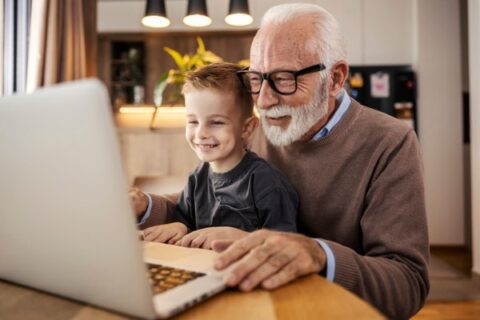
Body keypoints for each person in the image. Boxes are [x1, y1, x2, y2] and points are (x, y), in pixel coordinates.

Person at [132, 4, 429, 319]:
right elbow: (207, 199)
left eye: (285, 79)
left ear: (336, 78)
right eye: (257, 79)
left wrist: (319, 255)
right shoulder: (257, 129)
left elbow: (407, 283)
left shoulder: (390, 143)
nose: (263, 100)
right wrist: (144, 205)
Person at [139, 63, 298, 249]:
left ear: (247, 128)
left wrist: (239, 237)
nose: (201, 133)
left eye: (216, 122)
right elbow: (185, 220)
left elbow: (285, 244)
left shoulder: (266, 183)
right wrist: (179, 226)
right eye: (193, 121)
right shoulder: (196, 179)